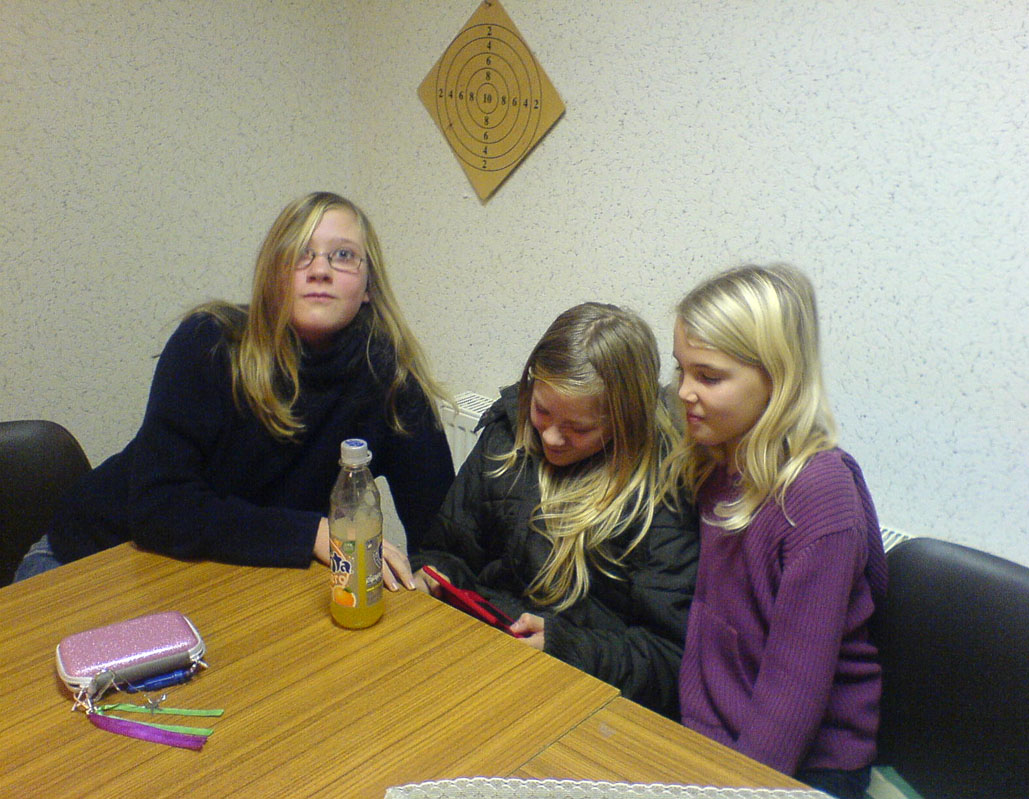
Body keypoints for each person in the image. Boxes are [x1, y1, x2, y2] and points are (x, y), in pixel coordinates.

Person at [16, 191, 454, 582]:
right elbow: (159, 508)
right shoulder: (209, 342)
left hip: (221, 577)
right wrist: (313, 534)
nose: (320, 270)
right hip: (93, 558)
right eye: (300, 254)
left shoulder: (393, 380)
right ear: (273, 276)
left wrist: (432, 578)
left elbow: (443, 534)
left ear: (368, 286)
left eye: (343, 255)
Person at [405, 302, 699, 718]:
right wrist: (434, 576)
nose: (552, 438)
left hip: (583, 701)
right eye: (542, 410)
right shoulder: (508, 433)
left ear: (626, 421)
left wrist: (565, 647)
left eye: (580, 428)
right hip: (486, 662)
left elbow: (669, 661)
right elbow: (447, 550)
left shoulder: (665, 491)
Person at [667, 264, 888, 799]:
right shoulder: (718, 459)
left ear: (778, 378)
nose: (684, 392)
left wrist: (735, 788)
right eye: (681, 370)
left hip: (802, 766)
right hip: (714, 739)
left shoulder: (818, 494)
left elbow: (791, 698)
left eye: (708, 377)